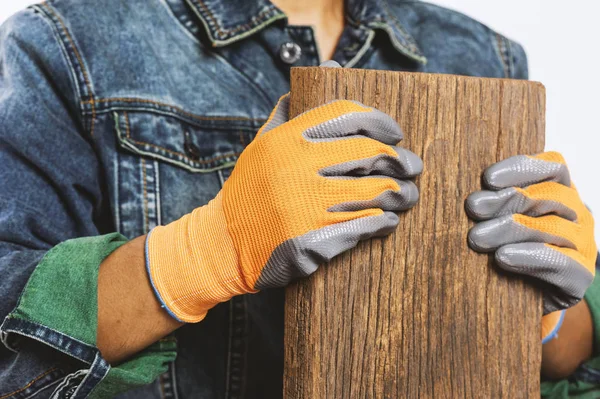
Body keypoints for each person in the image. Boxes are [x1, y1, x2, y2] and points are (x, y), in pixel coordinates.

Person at [0, 0, 597, 397]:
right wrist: (207, 251)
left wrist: (545, 316)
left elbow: (562, 359)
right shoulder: (69, 44)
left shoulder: (485, 58)